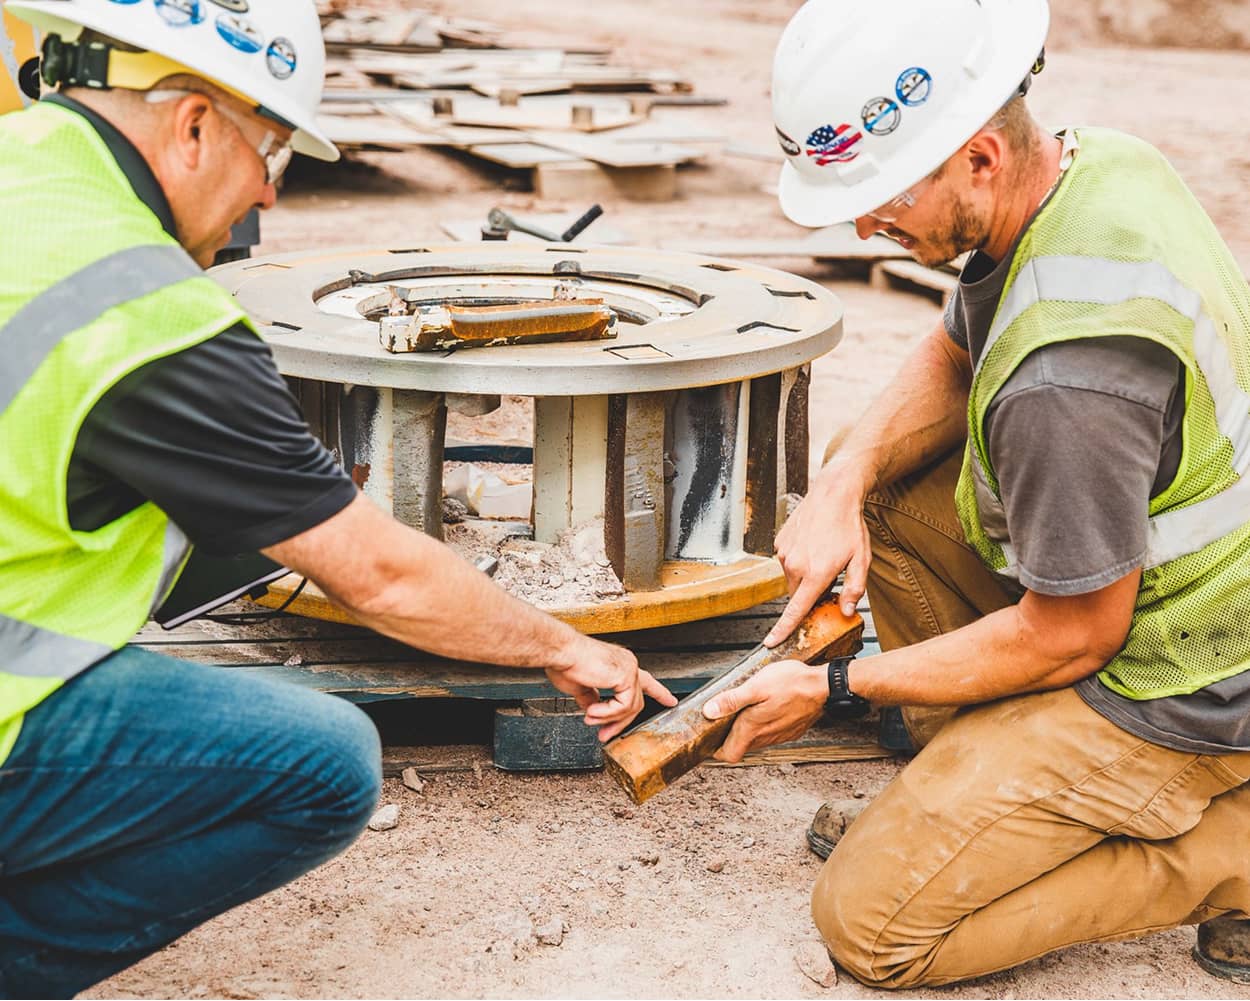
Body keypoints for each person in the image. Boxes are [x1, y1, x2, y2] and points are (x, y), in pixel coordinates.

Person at [0, 1, 675, 996]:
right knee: (323, 764)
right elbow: (383, 573)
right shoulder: (142, 310)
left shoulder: (23, 170)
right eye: (271, 151)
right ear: (192, 125)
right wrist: (563, 644)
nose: (265, 191)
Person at [700, 0, 1250, 987]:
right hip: (1158, 589)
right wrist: (839, 479)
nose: (864, 225)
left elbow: (1071, 634)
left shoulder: (1069, 382)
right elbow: (955, 347)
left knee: (869, 923)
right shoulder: (1089, 167)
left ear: (978, 158)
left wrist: (830, 685)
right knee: (878, 482)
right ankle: (987, 793)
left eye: (880, 197)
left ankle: (1226, 851)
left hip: (1185, 675)